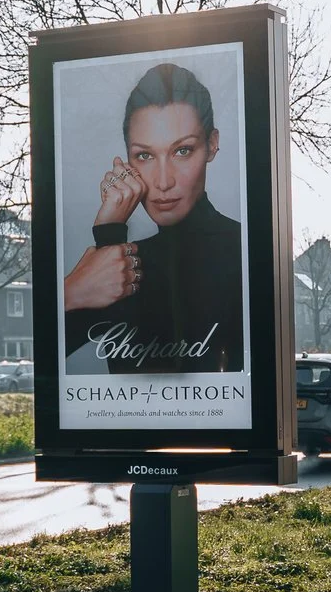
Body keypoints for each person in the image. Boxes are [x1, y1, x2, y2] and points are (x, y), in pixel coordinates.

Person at [62, 62, 245, 372]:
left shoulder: (246, 250)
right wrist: (106, 237)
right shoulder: (127, 262)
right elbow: (45, 364)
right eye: (145, 156)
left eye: (182, 151)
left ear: (212, 144)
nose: (163, 181)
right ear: (128, 160)